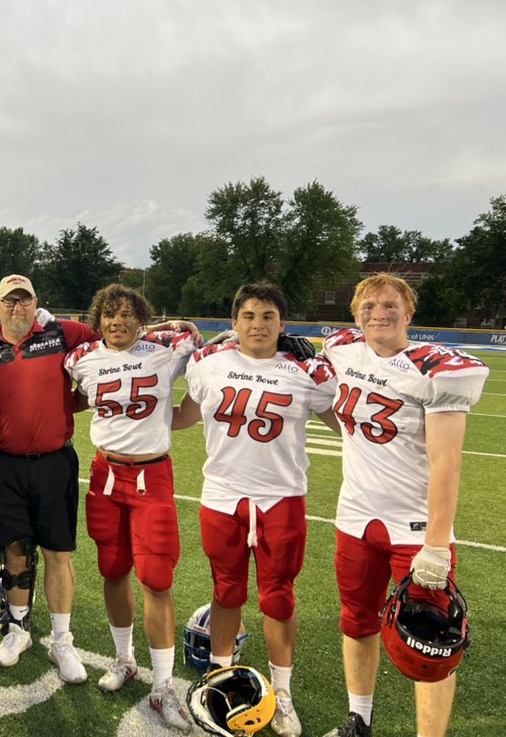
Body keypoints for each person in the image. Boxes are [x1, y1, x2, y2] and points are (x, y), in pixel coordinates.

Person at [320, 274, 488, 737]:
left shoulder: (436, 370)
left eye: (390, 304)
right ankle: (360, 719)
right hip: (355, 515)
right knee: (356, 621)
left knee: (433, 643)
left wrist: (435, 545)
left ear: (408, 313)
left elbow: (447, 464)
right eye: (369, 304)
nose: (379, 311)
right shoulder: (342, 348)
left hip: (414, 531)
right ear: (356, 314)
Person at [172, 282, 340, 737]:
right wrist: (135, 413)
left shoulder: (304, 370)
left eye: (267, 316)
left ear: (283, 324)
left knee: (278, 597)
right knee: (225, 592)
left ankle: (282, 693)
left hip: (280, 495)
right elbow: (186, 414)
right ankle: (220, 682)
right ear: (234, 322)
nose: (258, 325)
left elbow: (345, 425)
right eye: (248, 316)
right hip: (224, 493)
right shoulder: (209, 363)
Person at [65, 284, 198, 729]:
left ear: (141, 318)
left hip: (151, 474)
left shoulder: (167, 350)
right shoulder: (82, 358)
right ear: (98, 318)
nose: (117, 321)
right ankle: (124, 659)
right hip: (104, 473)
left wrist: (168, 328)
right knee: (112, 569)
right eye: (109, 314)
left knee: (156, 577)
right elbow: (72, 391)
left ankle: (164, 685)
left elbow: (196, 337)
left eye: (126, 314)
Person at [0, 274, 100, 684]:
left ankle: (61, 639)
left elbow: (115, 337)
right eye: (9, 301)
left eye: (24, 301)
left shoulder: (62, 333)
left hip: (54, 461)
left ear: (36, 302)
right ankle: (17, 629)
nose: (17, 308)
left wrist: (172, 332)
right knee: (15, 550)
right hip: (3, 463)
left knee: (58, 552)